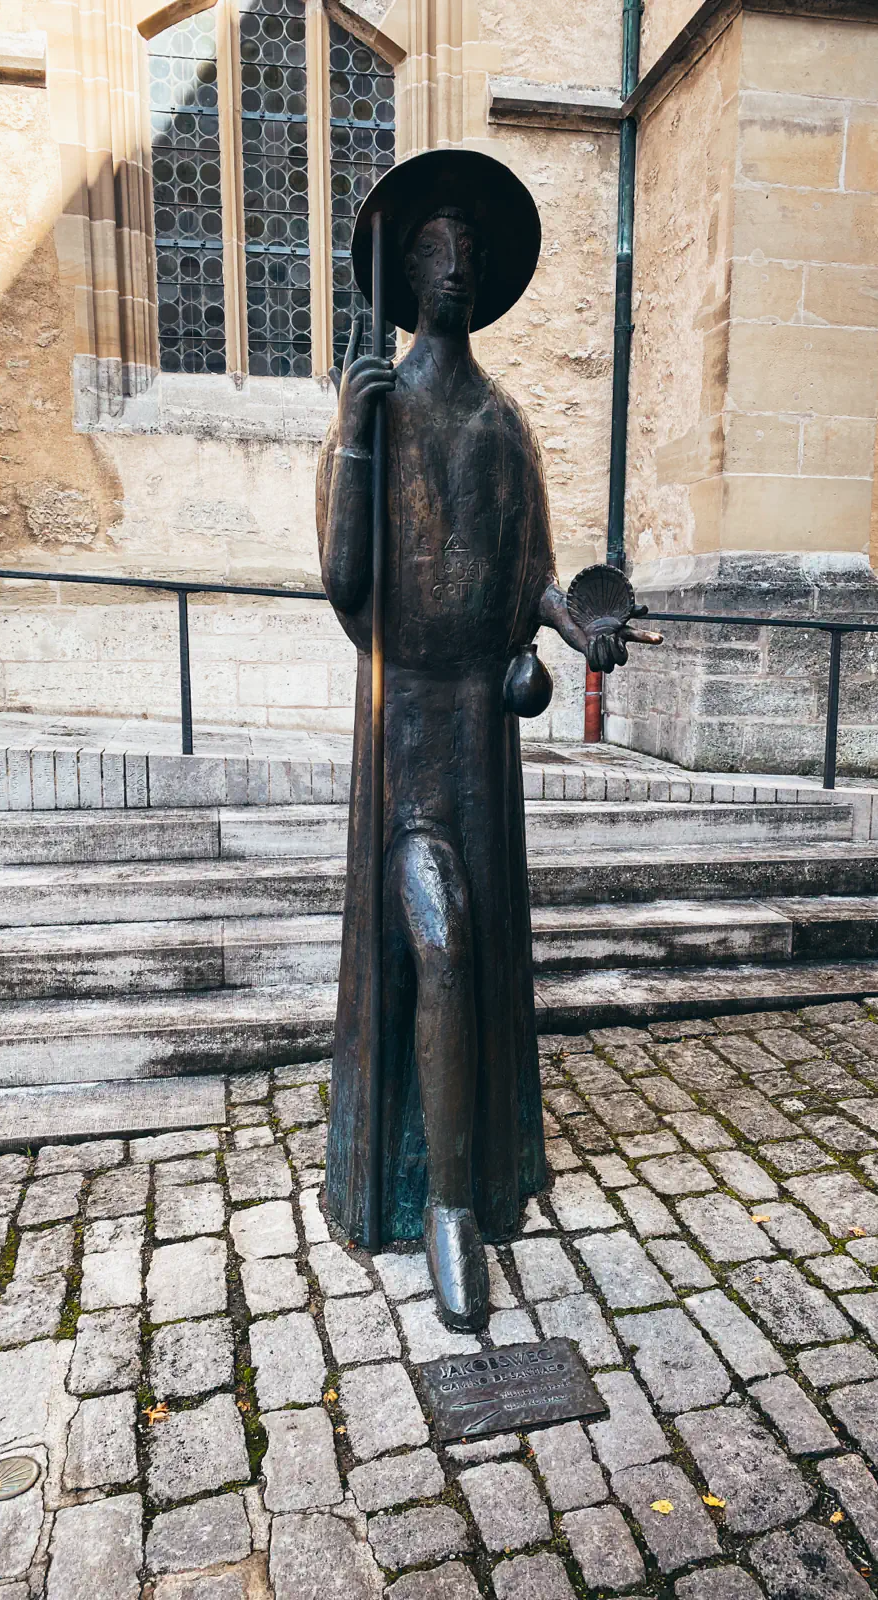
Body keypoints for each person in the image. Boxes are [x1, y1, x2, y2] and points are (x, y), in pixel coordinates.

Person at [317, 149, 638, 1331]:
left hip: (481, 743)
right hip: (405, 738)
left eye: (468, 248)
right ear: (405, 274)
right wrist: (355, 432)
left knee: (476, 951)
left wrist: (578, 626)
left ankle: (471, 1176)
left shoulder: (506, 425)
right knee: (441, 943)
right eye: (434, 247)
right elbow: (346, 585)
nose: (454, 263)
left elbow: (537, 574)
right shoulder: (375, 412)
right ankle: (447, 1207)